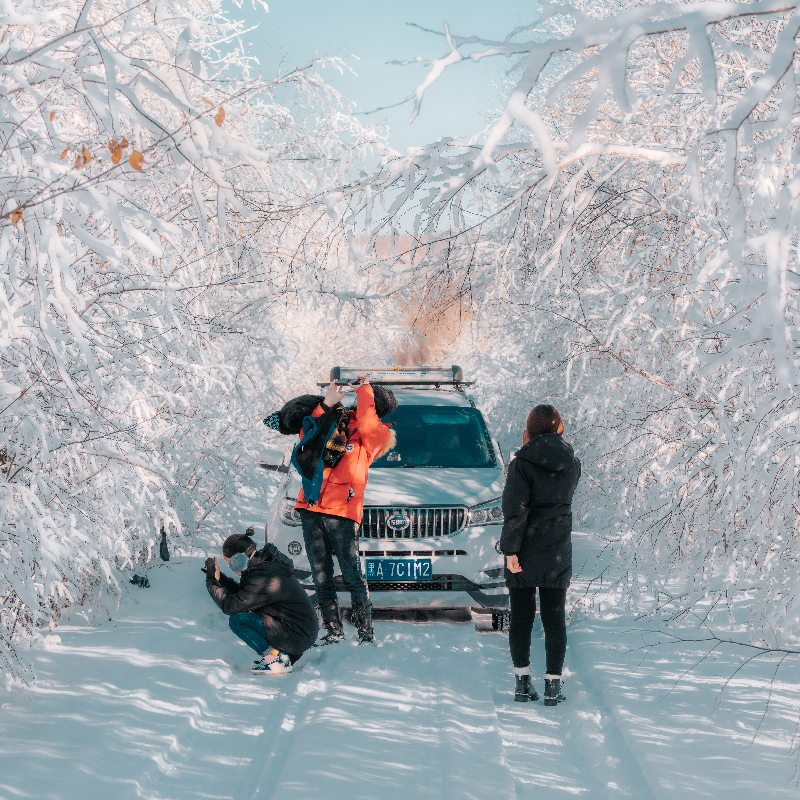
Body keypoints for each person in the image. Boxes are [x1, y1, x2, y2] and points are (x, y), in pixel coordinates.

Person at [295, 376, 396, 645]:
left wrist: (364, 389)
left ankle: (365, 631)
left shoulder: (376, 436)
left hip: (342, 510)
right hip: (311, 505)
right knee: (320, 573)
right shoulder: (336, 421)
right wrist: (327, 403)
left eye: (368, 400)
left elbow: (367, 421)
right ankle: (333, 629)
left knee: (351, 574)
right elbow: (308, 437)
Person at [500, 404, 581, 705]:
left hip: (523, 549)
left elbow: (514, 512)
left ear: (530, 428)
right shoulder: (573, 463)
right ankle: (552, 687)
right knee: (554, 619)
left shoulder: (521, 464)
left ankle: (522, 685)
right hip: (557, 550)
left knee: (521, 619)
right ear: (559, 427)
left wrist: (510, 551)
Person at [204, 533, 319, 674]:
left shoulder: (263, 577)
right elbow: (243, 595)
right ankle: (282, 656)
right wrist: (219, 578)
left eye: (230, 563)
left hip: (297, 635)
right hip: (299, 630)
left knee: (238, 621)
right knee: (243, 616)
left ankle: (277, 659)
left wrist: (211, 580)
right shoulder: (263, 567)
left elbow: (230, 606)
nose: (230, 567)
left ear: (239, 558)